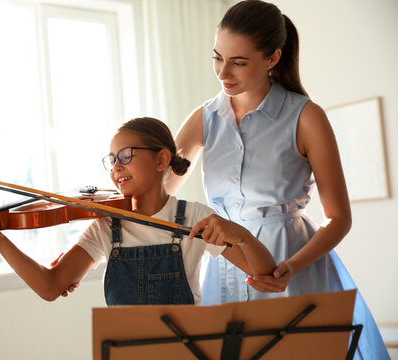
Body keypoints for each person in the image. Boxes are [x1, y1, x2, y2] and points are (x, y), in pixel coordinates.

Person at [164, 0, 388, 358]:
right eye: (217, 57)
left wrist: (291, 268)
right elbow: (161, 195)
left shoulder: (306, 116)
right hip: (224, 261)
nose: (223, 72)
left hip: (291, 261)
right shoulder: (203, 119)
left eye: (239, 61)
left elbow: (339, 218)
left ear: (272, 58)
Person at [0, 117, 276, 306]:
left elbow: (263, 273)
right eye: (112, 160)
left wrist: (243, 236)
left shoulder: (193, 217)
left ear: (161, 160)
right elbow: (51, 286)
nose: (116, 168)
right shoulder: (105, 227)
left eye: (126, 156)